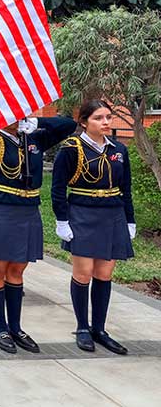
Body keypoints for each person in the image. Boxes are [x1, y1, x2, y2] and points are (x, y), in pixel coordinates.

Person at [0, 109, 76, 354]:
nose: (17, 117)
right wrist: (4, 106)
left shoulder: (34, 138)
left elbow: (68, 125)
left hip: (28, 209)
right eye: (14, 113)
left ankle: (16, 326)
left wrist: (35, 122)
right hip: (1, 208)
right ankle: (0, 326)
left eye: (22, 113)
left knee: (18, 269)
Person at [51, 100, 135, 355]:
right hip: (83, 213)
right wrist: (62, 220)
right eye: (99, 118)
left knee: (104, 274)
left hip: (112, 214)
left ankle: (99, 328)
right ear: (84, 122)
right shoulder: (71, 149)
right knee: (84, 272)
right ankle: (82, 328)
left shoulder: (119, 149)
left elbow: (126, 189)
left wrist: (129, 220)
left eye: (108, 117)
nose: (106, 122)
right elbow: (57, 188)